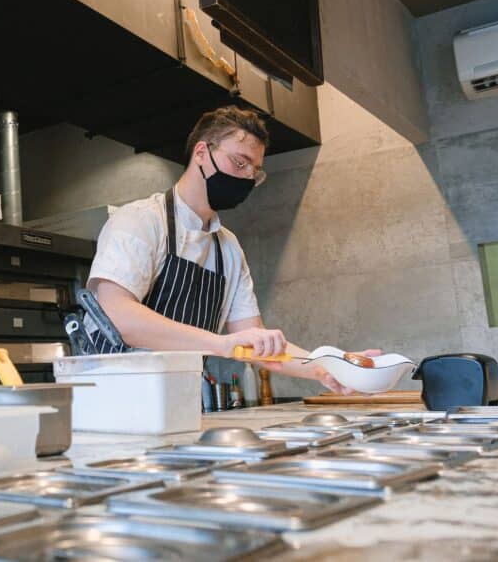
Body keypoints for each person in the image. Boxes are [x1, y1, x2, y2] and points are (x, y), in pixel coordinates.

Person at [85, 106, 378, 394]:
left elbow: (259, 347)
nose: (248, 177)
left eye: (255, 171)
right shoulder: (141, 220)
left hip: (177, 404)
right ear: (201, 153)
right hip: (110, 402)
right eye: (240, 163)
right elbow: (117, 315)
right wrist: (221, 344)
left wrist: (327, 367)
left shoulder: (227, 248)